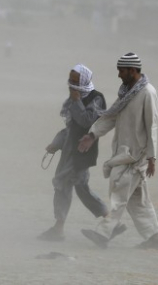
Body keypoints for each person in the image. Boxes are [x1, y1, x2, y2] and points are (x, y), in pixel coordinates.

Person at [77, 52, 158, 249]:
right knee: (138, 201)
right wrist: (92, 135)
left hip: (135, 156)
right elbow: (112, 117)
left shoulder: (148, 93)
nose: (119, 74)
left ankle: (103, 233)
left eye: (122, 70)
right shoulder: (127, 93)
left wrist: (152, 158)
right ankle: (155, 237)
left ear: (133, 70)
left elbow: (152, 126)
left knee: (119, 193)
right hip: (123, 152)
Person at [38, 64, 112, 242]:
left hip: (82, 151)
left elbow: (86, 121)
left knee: (63, 183)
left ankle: (59, 228)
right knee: (80, 187)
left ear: (85, 80)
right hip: (69, 151)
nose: (71, 84)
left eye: (75, 80)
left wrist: (76, 100)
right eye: (70, 80)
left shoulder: (96, 98)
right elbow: (70, 127)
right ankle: (108, 220)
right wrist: (56, 143)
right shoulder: (73, 99)